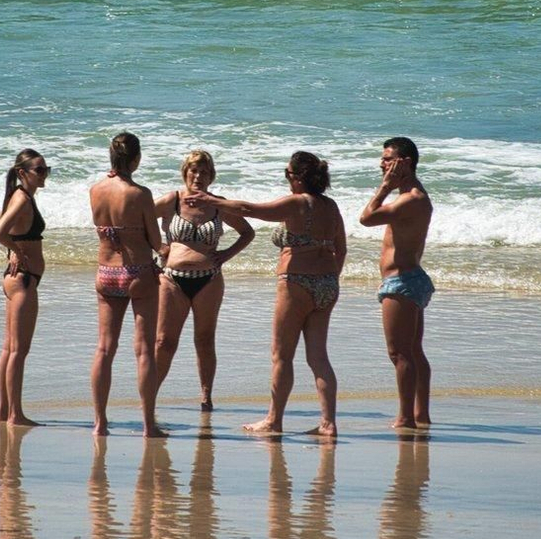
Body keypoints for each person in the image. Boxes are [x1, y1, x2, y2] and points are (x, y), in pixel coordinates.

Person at [189, 150, 344, 437]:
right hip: (327, 284)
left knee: (281, 356)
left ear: (297, 178)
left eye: (287, 174)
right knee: (318, 357)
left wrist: (212, 200)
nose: (286, 180)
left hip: (296, 282)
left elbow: (250, 210)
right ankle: (328, 423)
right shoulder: (331, 206)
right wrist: (329, 280)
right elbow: (341, 249)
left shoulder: (295, 203)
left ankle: (274, 420)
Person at [152, 150, 254, 412]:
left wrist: (225, 255)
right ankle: (150, 393)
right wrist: (160, 247)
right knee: (164, 341)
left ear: (211, 176)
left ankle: (206, 396)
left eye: (204, 172)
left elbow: (247, 232)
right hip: (172, 280)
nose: (198, 176)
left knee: (205, 339)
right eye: (194, 171)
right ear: (185, 173)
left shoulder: (219, 204)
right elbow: (140, 222)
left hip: (208, 280)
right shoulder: (172, 200)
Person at [89, 132, 167, 437]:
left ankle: (100, 422)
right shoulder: (139, 194)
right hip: (137, 272)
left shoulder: (95, 190)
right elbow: (155, 240)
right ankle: (148, 425)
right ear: (136, 159)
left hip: (106, 271)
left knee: (104, 348)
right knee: (144, 351)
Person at [359, 136, 435, 431]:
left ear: (405, 163)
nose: (382, 163)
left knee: (399, 353)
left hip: (401, 281)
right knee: (414, 350)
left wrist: (385, 186)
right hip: (409, 278)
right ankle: (421, 414)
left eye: (388, 158)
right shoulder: (411, 196)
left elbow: (366, 218)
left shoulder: (410, 199)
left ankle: (406, 416)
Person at [0, 148, 49, 426]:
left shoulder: (17, 196)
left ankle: (4, 412)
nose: (44, 173)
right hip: (23, 279)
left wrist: (13, 249)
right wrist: (14, 250)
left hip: (18, 279)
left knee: (9, 348)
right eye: (39, 169)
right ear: (22, 173)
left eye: (46, 168)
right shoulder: (22, 199)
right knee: (18, 350)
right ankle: (16, 414)